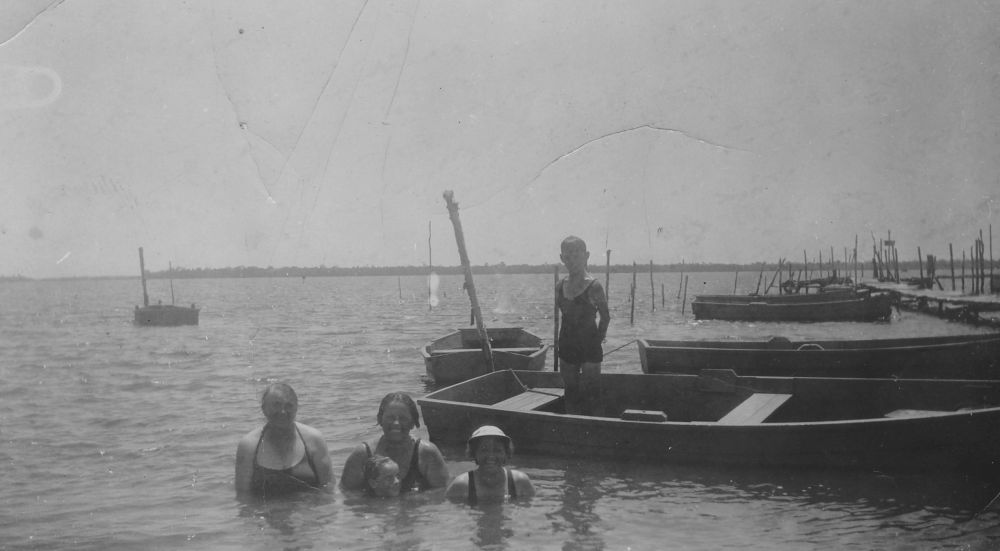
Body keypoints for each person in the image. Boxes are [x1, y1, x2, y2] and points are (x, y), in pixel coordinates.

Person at [235, 383, 333, 497]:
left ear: (296, 408)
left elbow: (329, 488)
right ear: (264, 409)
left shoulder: (314, 440)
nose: (282, 412)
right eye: (276, 405)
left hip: (307, 511)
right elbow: (243, 495)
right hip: (266, 513)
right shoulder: (248, 445)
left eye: (289, 405)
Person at [340, 392, 449, 493]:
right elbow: (348, 495)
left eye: (403, 418)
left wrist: (404, 504)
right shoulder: (362, 454)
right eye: (390, 418)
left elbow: (441, 493)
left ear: (413, 423)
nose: (396, 423)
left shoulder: (427, 453)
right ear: (380, 420)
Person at [556, 235, 611, 415]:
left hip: (589, 345)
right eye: (568, 257)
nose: (572, 261)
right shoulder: (559, 286)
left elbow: (605, 317)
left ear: (586, 256)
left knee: (593, 392)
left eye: (577, 256)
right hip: (566, 345)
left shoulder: (594, 285)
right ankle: (573, 427)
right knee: (570, 391)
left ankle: (598, 429)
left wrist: (598, 339)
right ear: (562, 258)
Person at [445, 425, 534, 505]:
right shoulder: (462, 485)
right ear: (474, 453)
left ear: (506, 453)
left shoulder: (520, 482)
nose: (491, 456)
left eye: (497, 450)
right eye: (484, 450)